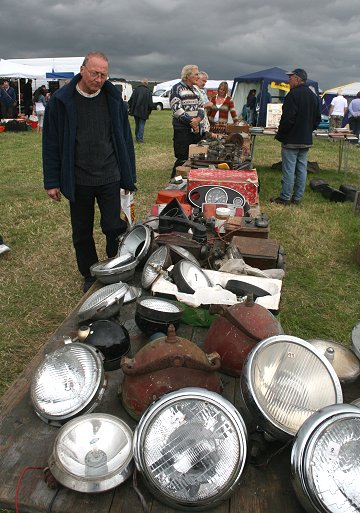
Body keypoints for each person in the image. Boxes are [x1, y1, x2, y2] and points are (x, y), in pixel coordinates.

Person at [42, 51, 136, 293]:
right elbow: (51, 143)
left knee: (113, 226)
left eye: (104, 75)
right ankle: (89, 273)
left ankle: (116, 266)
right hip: (78, 178)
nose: (99, 79)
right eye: (95, 73)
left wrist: (128, 177)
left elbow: (125, 139)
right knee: (82, 231)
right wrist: (52, 181)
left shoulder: (113, 99)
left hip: (109, 175)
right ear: (82, 69)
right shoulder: (62, 101)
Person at [271, 68, 321, 206]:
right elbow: (317, 118)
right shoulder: (313, 96)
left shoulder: (293, 95)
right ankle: (297, 198)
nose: (288, 80)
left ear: (298, 79)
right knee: (301, 169)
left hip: (292, 139)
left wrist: (281, 135)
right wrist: (308, 130)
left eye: (291, 78)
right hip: (305, 139)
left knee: (289, 169)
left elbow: (287, 119)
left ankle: (285, 197)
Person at [170, 64, 204, 178]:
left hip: (194, 129)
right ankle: (174, 184)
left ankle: (188, 184)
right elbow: (176, 109)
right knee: (182, 158)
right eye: (196, 74)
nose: (198, 76)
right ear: (188, 75)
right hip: (182, 130)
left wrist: (198, 120)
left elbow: (201, 107)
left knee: (194, 158)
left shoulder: (195, 90)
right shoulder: (176, 88)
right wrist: (191, 121)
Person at [128, 78, 153, 143]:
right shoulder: (148, 92)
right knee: (141, 124)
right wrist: (149, 111)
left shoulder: (136, 90)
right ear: (146, 84)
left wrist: (130, 108)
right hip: (144, 111)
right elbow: (150, 104)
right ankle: (140, 139)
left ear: (141, 83)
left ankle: (137, 137)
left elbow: (131, 100)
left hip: (136, 110)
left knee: (137, 124)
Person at [195, 71, 212, 136]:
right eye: (203, 81)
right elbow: (193, 107)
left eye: (205, 82)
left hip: (204, 119)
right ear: (197, 79)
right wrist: (206, 105)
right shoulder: (193, 91)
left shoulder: (202, 91)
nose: (204, 83)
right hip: (197, 120)